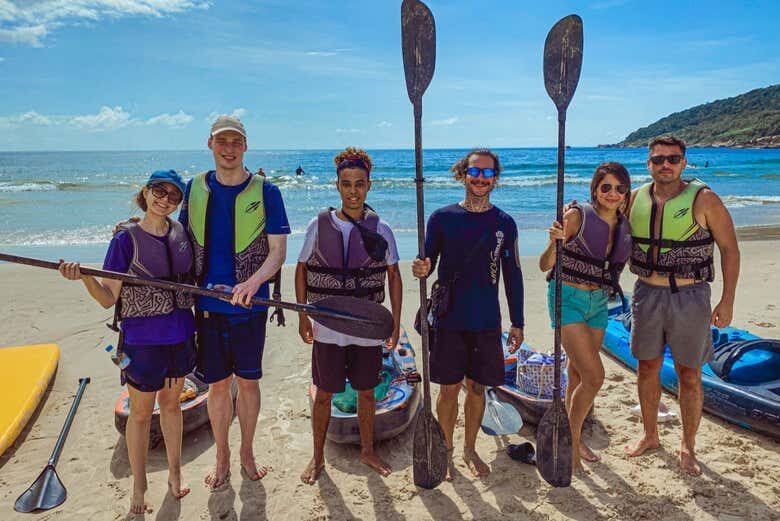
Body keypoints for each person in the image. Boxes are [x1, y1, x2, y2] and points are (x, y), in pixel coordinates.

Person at [59, 170, 195, 514]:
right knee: (139, 414)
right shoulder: (125, 239)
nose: (164, 199)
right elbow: (107, 299)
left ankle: (175, 474)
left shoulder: (181, 233)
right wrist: (85, 277)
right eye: (158, 192)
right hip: (141, 342)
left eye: (173, 195)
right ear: (145, 193)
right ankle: (139, 485)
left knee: (172, 405)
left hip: (180, 335)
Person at [179, 115, 290, 488]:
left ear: (245, 146)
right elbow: (176, 239)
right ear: (209, 144)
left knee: (248, 383)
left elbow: (277, 252)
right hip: (208, 307)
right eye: (222, 141)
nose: (229, 149)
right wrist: (132, 232)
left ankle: (246, 450)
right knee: (216, 385)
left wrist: (253, 282)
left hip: (249, 308)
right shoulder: (194, 189)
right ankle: (222, 453)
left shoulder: (266, 192)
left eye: (236, 142)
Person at [624, 135, 740, 476]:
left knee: (689, 375)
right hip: (646, 293)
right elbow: (604, 220)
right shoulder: (634, 198)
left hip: (691, 297)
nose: (665, 165)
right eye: (658, 159)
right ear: (649, 164)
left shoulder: (705, 200)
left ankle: (688, 445)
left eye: (672, 159)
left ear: (684, 163)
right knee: (647, 368)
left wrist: (727, 300)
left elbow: (730, 249)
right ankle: (650, 435)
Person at [412, 148, 525, 479]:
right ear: (463, 174)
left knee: (477, 389)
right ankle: (445, 450)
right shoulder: (442, 218)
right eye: (475, 172)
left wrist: (517, 321)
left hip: (486, 321)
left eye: (488, 173)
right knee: (448, 391)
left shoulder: (505, 223)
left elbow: (514, 274)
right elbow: (427, 260)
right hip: (449, 320)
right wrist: (421, 267)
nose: (481, 178)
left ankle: (469, 448)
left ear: (495, 179)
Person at [296, 147, 402, 484]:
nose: (353, 190)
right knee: (324, 392)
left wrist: (395, 322)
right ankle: (317, 458)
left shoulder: (381, 229)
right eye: (346, 184)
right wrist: (302, 315)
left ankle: (368, 450)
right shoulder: (318, 224)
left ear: (369, 185)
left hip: (367, 327)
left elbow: (394, 277)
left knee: (367, 391)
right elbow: (300, 270)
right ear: (338, 186)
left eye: (359, 184)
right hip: (327, 326)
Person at [538, 162, 633, 472]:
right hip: (568, 297)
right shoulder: (577, 215)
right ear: (595, 189)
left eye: (619, 188)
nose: (612, 193)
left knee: (579, 374)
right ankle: (571, 437)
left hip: (598, 302)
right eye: (606, 187)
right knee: (595, 376)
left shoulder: (624, 224)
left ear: (626, 193)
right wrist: (554, 241)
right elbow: (543, 265)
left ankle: (571, 437)